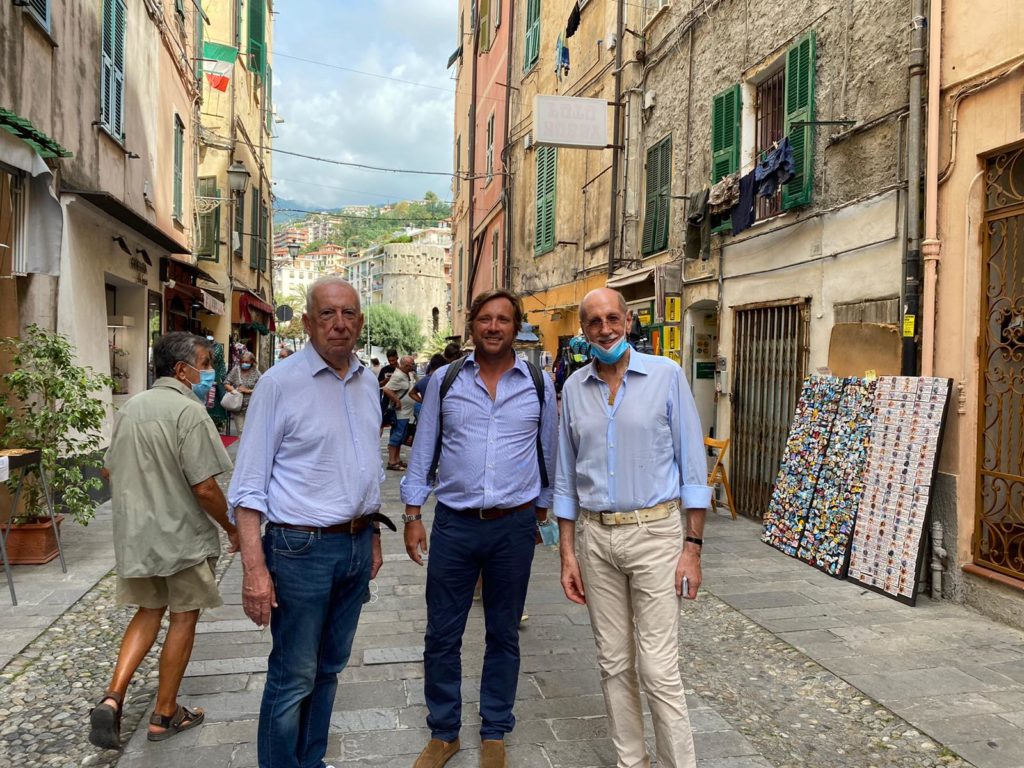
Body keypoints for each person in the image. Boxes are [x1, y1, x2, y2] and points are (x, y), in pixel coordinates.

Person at [228, 276, 390, 768]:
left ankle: (311, 760)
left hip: (354, 545)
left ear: (360, 322)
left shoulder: (367, 382)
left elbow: (365, 467)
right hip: (299, 550)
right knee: (293, 675)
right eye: (327, 314)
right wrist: (254, 571)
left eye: (348, 314)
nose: (339, 324)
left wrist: (372, 535)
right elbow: (248, 488)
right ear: (306, 322)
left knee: (329, 668)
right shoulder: (280, 384)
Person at [554, 288, 711, 768]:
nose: (604, 329)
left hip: (656, 534)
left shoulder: (667, 376)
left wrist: (692, 548)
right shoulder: (573, 389)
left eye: (612, 318)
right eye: (594, 321)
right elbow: (565, 477)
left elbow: (693, 468)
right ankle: (632, 762)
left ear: (628, 321)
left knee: (659, 669)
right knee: (613, 662)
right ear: (583, 331)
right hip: (595, 538)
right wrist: (567, 554)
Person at [402, 289, 557, 768]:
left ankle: (495, 730)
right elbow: (424, 448)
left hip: (513, 526)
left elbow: (549, 450)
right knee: (441, 634)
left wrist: (542, 511)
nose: (493, 327)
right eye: (485, 319)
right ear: (472, 325)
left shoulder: (538, 382)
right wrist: (412, 514)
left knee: (504, 631)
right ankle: (443, 732)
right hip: (455, 525)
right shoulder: (445, 380)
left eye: (503, 320)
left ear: (516, 327)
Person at [88, 332, 237, 750]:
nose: (208, 373)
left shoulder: (132, 408)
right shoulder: (188, 412)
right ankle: (164, 713)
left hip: (139, 533)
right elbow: (205, 487)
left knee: (148, 611)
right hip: (182, 535)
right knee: (183, 617)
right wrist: (231, 527)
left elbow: (109, 470)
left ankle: (113, 696)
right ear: (181, 370)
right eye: (204, 364)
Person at [383, 354, 417, 470]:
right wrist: (396, 400)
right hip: (400, 413)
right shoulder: (397, 376)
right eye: (411, 364)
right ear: (405, 365)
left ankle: (397, 459)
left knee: (401, 436)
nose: (413, 366)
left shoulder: (408, 374)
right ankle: (392, 461)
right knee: (397, 436)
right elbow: (386, 389)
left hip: (407, 412)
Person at [224, 351, 261, 435]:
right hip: (238, 407)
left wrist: (247, 391)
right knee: (241, 432)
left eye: (247, 362)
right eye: (242, 362)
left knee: (251, 432)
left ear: (252, 361)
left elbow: (261, 389)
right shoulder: (236, 370)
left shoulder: (256, 373)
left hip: (252, 407)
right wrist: (234, 390)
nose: (244, 364)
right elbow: (226, 383)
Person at [410, 353, 446, 420]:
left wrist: (423, 401)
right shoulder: (441, 380)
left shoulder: (422, 381)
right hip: (440, 414)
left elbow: (411, 393)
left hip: (427, 414)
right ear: (441, 367)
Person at [378, 349, 399, 435]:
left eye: (393, 360)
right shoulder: (384, 369)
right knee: (381, 423)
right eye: (389, 360)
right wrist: (385, 380)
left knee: (396, 424)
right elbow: (378, 384)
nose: (391, 362)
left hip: (399, 399)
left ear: (397, 357)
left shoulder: (401, 368)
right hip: (386, 401)